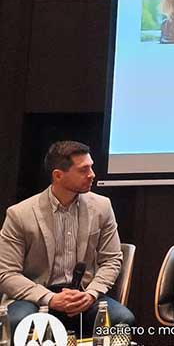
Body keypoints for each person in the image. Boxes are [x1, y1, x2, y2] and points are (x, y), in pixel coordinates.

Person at [0, 141, 135, 334]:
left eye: (91, 167)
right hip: (35, 296)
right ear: (58, 175)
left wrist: (91, 293)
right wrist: (50, 298)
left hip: (83, 294)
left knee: (123, 320)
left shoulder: (102, 207)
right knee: (17, 323)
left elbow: (111, 260)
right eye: (83, 170)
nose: (92, 174)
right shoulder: (20, 214)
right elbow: (6, 274)